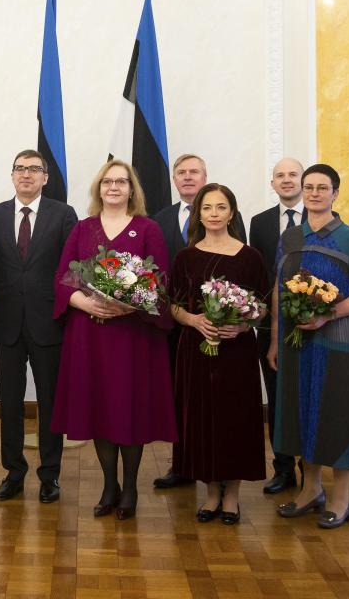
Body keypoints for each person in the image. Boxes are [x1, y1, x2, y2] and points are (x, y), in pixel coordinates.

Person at [51, 160, 177, 519]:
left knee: (129, 409)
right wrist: (85, 301)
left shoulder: (147, 228)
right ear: (98, 188)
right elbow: (64, 279)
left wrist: (130, 306)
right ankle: (110, 485)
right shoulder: (83, 229)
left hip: (133, 337)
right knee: (100, 409)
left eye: (122, 181)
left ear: (132, 189)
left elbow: (161, 283)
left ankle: (131, 487)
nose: (114, 187)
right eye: (107, 181)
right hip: (90, 334)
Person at [268, 164, 349, 529]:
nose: (314, 193)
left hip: (340, 344)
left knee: (336, 416)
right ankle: (310, 490)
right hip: (297, 343)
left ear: (335, 193)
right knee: (302, 414)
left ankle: (341, 498)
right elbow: (279, 291)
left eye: (322, 187)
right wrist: (273, 340)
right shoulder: (291, 237)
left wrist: (328, 315)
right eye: (308, 187)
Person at [170, 183, 269, 525]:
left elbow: (262, 307)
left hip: (237, 354)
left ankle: (232, 497)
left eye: (220, 207)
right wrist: (193, 320)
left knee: (235, 421)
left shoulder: (250, 256)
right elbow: (172, 305)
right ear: (198, 213)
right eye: (207, 207)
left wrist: (243, 326)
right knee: (201, 421)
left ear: (231, 213)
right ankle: (211, 494)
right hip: (196, 352)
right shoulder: (185, 257)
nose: (213, 214)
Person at [0, 149, 77, 503]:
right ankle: (14, 471)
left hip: (48, 325)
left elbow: (71, 269)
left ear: (45, 177)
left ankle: (50, 474)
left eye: (34, 169)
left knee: (50, 403)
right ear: (12, 176)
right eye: (20, 169)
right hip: (7, 325)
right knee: (10, 402)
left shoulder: (63, 214)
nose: (26, 175)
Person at [151, 153, 246, 489]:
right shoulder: (158, 218)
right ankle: (183, 464)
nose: (188, 177)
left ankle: (221, 466)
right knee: (182, 398)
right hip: (172, 325)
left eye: (195, 172)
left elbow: (240, 276)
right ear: (174, 179)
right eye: (181, 172)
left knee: (220, 400)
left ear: (205, 177)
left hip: (218, 328)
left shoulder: (230, 221)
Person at [249, 157, 304, 494]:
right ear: (272, 184)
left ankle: (309, 468)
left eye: (293, 174)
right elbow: (259, 274)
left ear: (304, 180)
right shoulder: (260, 222)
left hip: (315, 322)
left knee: (306, 396)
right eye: (280, 175)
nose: (286, 180)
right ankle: (282, 469)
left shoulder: (325, 219)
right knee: (277, 397)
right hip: (270, 326)